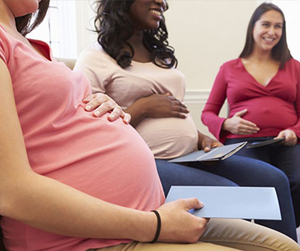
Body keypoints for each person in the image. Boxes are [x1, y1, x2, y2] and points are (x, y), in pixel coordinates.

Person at [1, 0, 300, 250]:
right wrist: (140, 109)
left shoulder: (35, 49)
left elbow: (75, 111)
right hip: (155, 163)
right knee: (235, 194)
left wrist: (199, 136)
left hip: (188, 156)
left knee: (272, 181)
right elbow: (14, 188)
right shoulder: (93, 57)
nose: (163, 3)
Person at [201, 2, 300, 228]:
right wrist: (227, 124)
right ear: (253, 27)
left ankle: (280, 231)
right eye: (266, 24)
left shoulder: (295, 67)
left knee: (296, 181)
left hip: (285, 142)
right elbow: (208, 113)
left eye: (279, 26)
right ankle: (267, 237)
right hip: (243, 143)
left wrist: (294, 132)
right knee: (263, 183)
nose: (272, 32)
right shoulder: (229, 68)